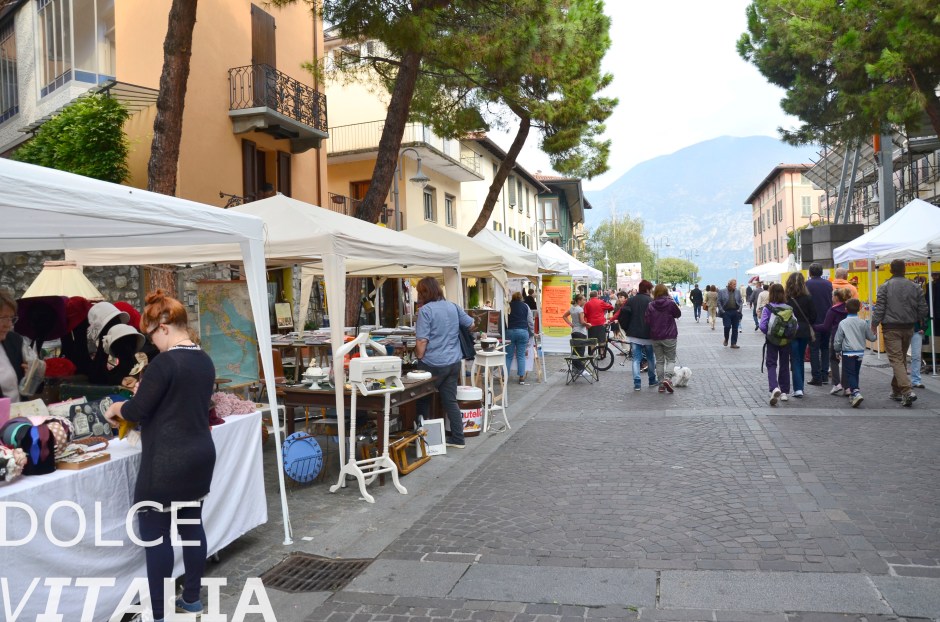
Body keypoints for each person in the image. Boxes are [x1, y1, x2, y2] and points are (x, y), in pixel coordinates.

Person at [103, 290, 216, 622]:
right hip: (199, 455)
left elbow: (137, 410)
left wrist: (116, 407)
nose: (151, 343)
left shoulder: (165, 363)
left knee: (157, 538)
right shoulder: (203, 359)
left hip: (166, 462)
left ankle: (158, 614)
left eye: (151, 335)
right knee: (192, 528)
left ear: (164, 326)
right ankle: (192, 600)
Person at [412, 277, 475, 447]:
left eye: (420, 292)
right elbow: (471, 324)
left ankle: (422, 440)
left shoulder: (426, 311)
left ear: (425, 292)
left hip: (432, 363)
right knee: (450, 401)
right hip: (453, 361)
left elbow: (421, 341)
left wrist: (419, 356)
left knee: (422, 400)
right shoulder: (453, 306)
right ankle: (458, 438)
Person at [870, 259, 928, 406]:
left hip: (891, 327)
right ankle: (896, 390)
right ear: (904, 269)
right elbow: (923, 309)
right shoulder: (915, 287)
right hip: (909, 327)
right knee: (900, 359)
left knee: (896, 360)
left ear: (891, 270)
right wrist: (920, 321)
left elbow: (880, 308)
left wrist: (874, 324)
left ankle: (906, 391)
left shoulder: (885, 287)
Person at [833, 298, 877, 408]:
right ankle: (854, 392)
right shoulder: (862, 322)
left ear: (846, 309)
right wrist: (875, 334)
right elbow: (871, 338)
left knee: (850, 372)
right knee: (856, 372)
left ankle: (856, 392)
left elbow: (838, 339)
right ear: (859, 308)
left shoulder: (843, 323)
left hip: (848, 351)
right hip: (860, 351)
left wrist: (837, 350)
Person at [619, 279, 657, 391]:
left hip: (634, 335)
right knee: (650, 357)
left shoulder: (631, 300)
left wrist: (627, 329)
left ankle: (637, 383)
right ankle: (651, 380)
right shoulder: (651, 301)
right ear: (647, 289)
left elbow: (623, 316)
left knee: (636, 359)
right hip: (648, 335)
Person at [0, 290, 36, 403]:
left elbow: (31, 390)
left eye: (11, 318)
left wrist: (32, 376)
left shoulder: (14, 341)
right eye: (4, 318)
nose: (9, 324)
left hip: (19, 416)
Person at [784, 272, 816, 398]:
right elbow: (813, 316)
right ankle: (800, 387)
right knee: (800, 358)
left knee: (795, 359)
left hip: (791, 331)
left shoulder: (787, 299)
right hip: (804, 331)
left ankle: (798, 388)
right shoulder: (808, 298)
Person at [759, 283, 791, 406]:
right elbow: (796, 325)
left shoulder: (768, 308)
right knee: (784, 364)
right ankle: (784, 392)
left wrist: (769, 333)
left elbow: (762, 325)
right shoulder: (788, 308)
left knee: (771, 363)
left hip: (772, 340)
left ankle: (774, 387)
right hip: (785, 341)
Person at [645, 283, 681, 393]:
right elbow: (678, 314)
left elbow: (647, 321)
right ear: (666, 292)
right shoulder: (670, 303)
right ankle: (667, 378)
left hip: (656, 336)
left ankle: (661, 384)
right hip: (669, 335)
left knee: (659, 361)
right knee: (670, 359)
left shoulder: (651, 305)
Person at [814, 288, 850, 396]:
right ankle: (847, 387)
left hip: (836, 338)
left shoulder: (833, 310)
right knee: (847, 362)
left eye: (832, 296)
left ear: (836, 297)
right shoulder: (849, 309)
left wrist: (813, 327)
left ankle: (836, 383)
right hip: (849, 338)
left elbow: (825, 327)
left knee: (834, 360)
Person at [805, 263, 833, 386]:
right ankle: (825, 375)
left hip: (813, 322)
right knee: (825, 348)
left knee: (814, 349)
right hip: (827, 320)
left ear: (810, 272)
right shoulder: (828, 284)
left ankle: (816, 377)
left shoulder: (807, 284)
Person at [505, 291, 534, 385]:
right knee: (520, 355)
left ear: (513, 298)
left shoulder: (508, 306)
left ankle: (504, 377)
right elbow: (530, 321)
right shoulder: (526, 306)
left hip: (510, 332)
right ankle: (521, 377)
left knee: (508, 356)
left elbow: (504, 319)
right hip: (522, 331)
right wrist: (532, 332)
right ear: (521, 298)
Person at [562, 293, 590, 375]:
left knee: (575, 352)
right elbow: (582, 322)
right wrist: (588, 324)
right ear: (579, 300)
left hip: (574, 331)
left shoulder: (572, 308)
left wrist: (570, 324)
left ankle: (575, 370)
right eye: (583, 299)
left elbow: (564, 316)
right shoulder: (580, 309)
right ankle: (581, 370)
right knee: (580, 352)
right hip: (581, 332)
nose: (585, 301)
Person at [716, 279, 743, 348]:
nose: (735, 286)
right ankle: (726, 339)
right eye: (734, 284)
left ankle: (733, 343)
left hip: (735, 312)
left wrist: (739, 310)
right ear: (729, 284)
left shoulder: (737, 291)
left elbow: (740, 301)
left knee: (735, 328)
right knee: (727, 326)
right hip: (726, 312)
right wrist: (722, 311)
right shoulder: (722, 291)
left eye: (735, 284)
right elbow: (718, 302)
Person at [910, 276, 926, 389]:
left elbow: (924, 312)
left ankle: (916, 380)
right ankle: (901, 380)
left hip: (916, 329)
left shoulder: (919, 299)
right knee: (900, 356)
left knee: (916, 356)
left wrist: (923, 326)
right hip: (903, 329)